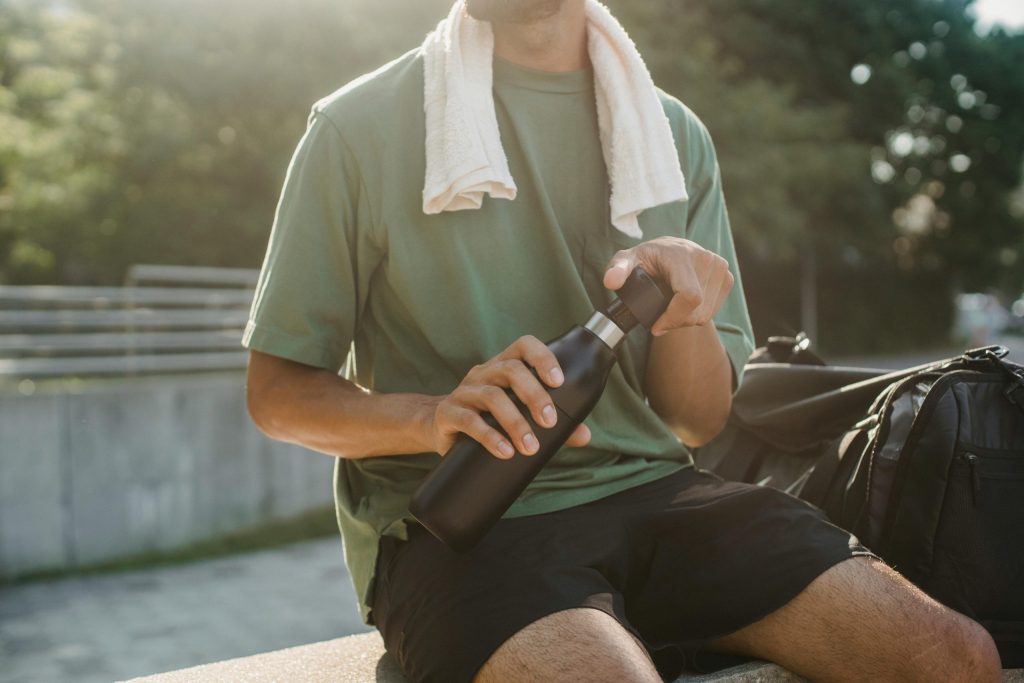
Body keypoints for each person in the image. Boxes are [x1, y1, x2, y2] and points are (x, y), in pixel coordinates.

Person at [243, 1, 1002, 681]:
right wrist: (433, 416)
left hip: (660, 494)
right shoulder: (356, 129)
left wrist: (688, 315)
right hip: (457, 525)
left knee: (955, 656)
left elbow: (696, 422)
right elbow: (277, 394)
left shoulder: (671, 135)